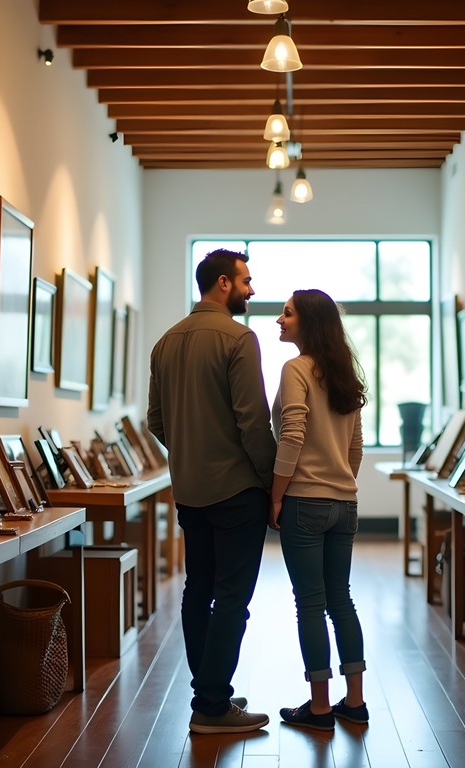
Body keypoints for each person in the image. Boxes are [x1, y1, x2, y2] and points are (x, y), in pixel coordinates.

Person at [147, 249, 277, 735]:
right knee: (231, 598)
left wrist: (189, 450)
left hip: (190, 491)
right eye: (246, 280)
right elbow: (252, 422)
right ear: (223, 283)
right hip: (238, 490)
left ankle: (209, 693)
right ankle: (213, 708)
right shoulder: (239, 339)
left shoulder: (165, 342)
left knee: (197, 589)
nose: (251, 289)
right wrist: (269, 482)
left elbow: (155, 420)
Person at [269, 289, 370, 730]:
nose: (279, 319)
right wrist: (340, 483)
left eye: (287, 313)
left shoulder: (296, 369)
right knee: (341, 601)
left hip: (304, 503)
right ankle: (356, 701)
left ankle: (319, 708)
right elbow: (356, 447)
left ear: (307, 322)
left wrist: (276, 495)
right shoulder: (343, 371)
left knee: (310, 604)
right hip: (344, 504)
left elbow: (291, 436)